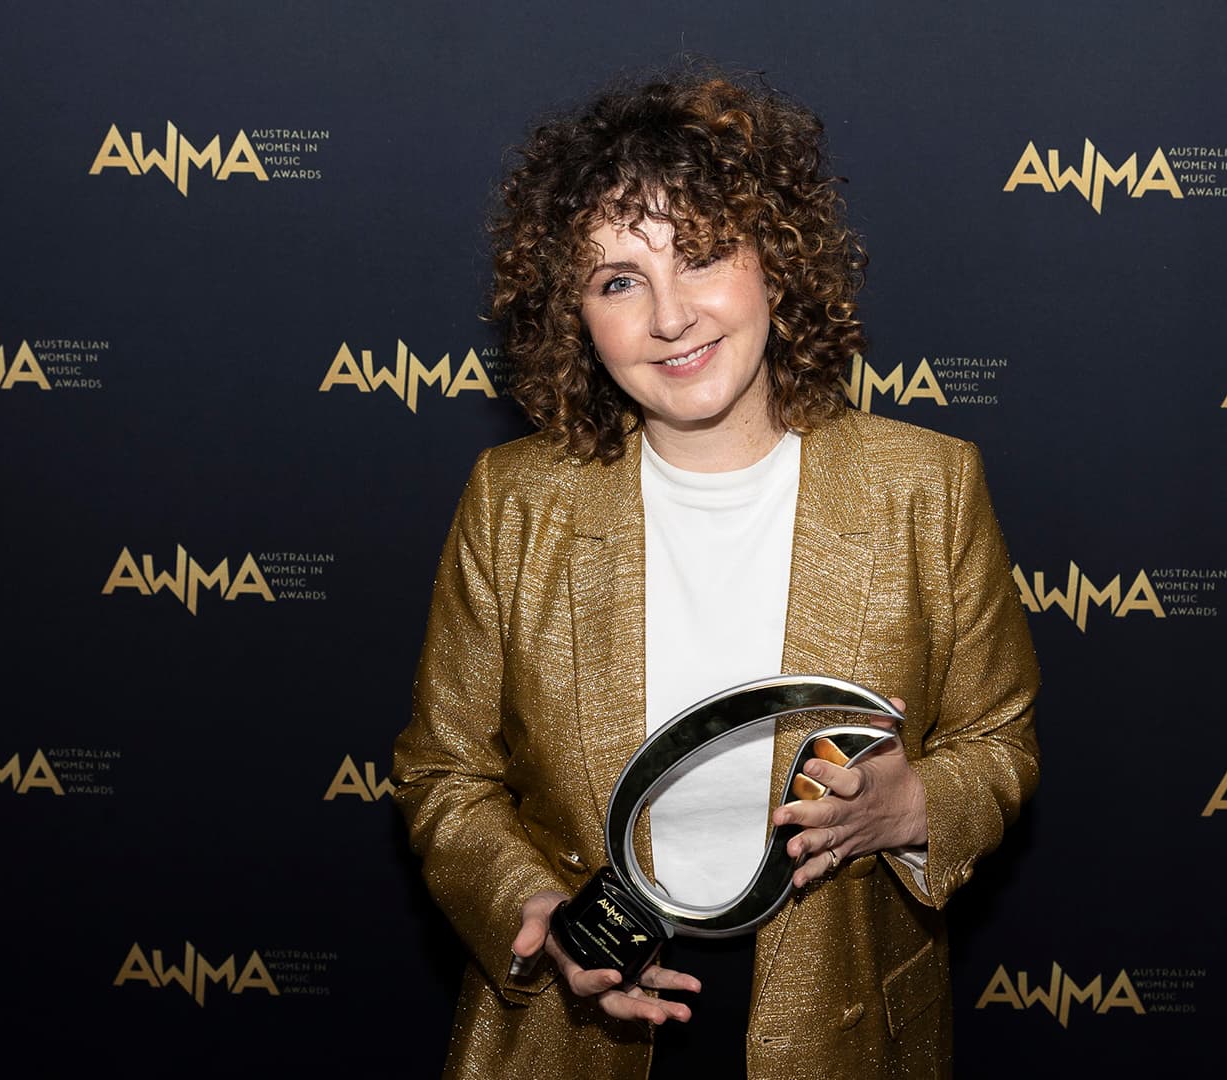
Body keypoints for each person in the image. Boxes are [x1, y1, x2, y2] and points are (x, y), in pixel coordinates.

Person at [391, 64, 1040, 1079]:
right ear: (576, 317)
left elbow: (998, 743)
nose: (669, 315)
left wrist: (913, 809)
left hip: (845, 1022)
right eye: (618, 280)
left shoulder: (928, 485)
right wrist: (541, 914)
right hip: (582, 1025)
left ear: (776, 261)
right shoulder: (514, 499)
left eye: (700, 256)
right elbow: (446, 777)